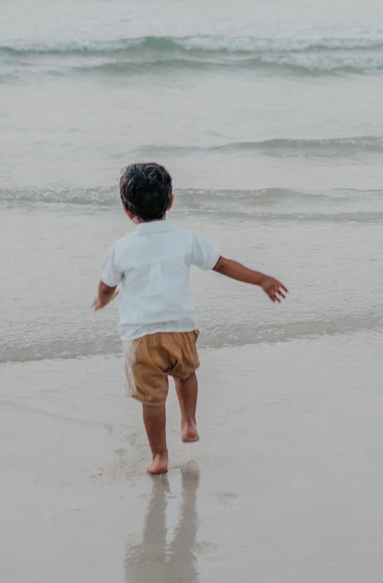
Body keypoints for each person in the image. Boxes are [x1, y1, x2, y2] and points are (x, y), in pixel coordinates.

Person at [93, 161, 287, 475]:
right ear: (170, 201)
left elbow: (106, 285)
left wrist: (102, 301)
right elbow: (222, 265)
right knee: (186, 374)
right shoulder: (185, 239)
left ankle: (159, 457)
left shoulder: (121, 248)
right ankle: (189, 422)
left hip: (139, 337)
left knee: (152, 400)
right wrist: (261, 279)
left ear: (127, 211)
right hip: (180, 329)